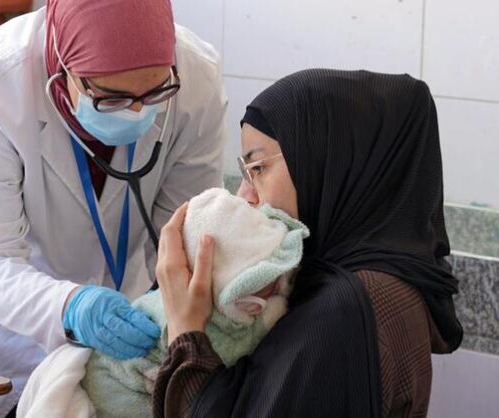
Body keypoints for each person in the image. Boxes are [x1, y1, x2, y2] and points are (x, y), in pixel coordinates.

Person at [0, 0, 227, 416]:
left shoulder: (196, 78)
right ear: (62, 72)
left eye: (155, 92)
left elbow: (186, 230)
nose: (139, 111)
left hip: (106, 330)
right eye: (113, 97)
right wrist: (70, 307)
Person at [153, 69, 463, 418]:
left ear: (328, 162)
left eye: (257, 168)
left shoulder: (343, 313)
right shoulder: (384, 285)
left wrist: (185, 330)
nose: (245, 195)